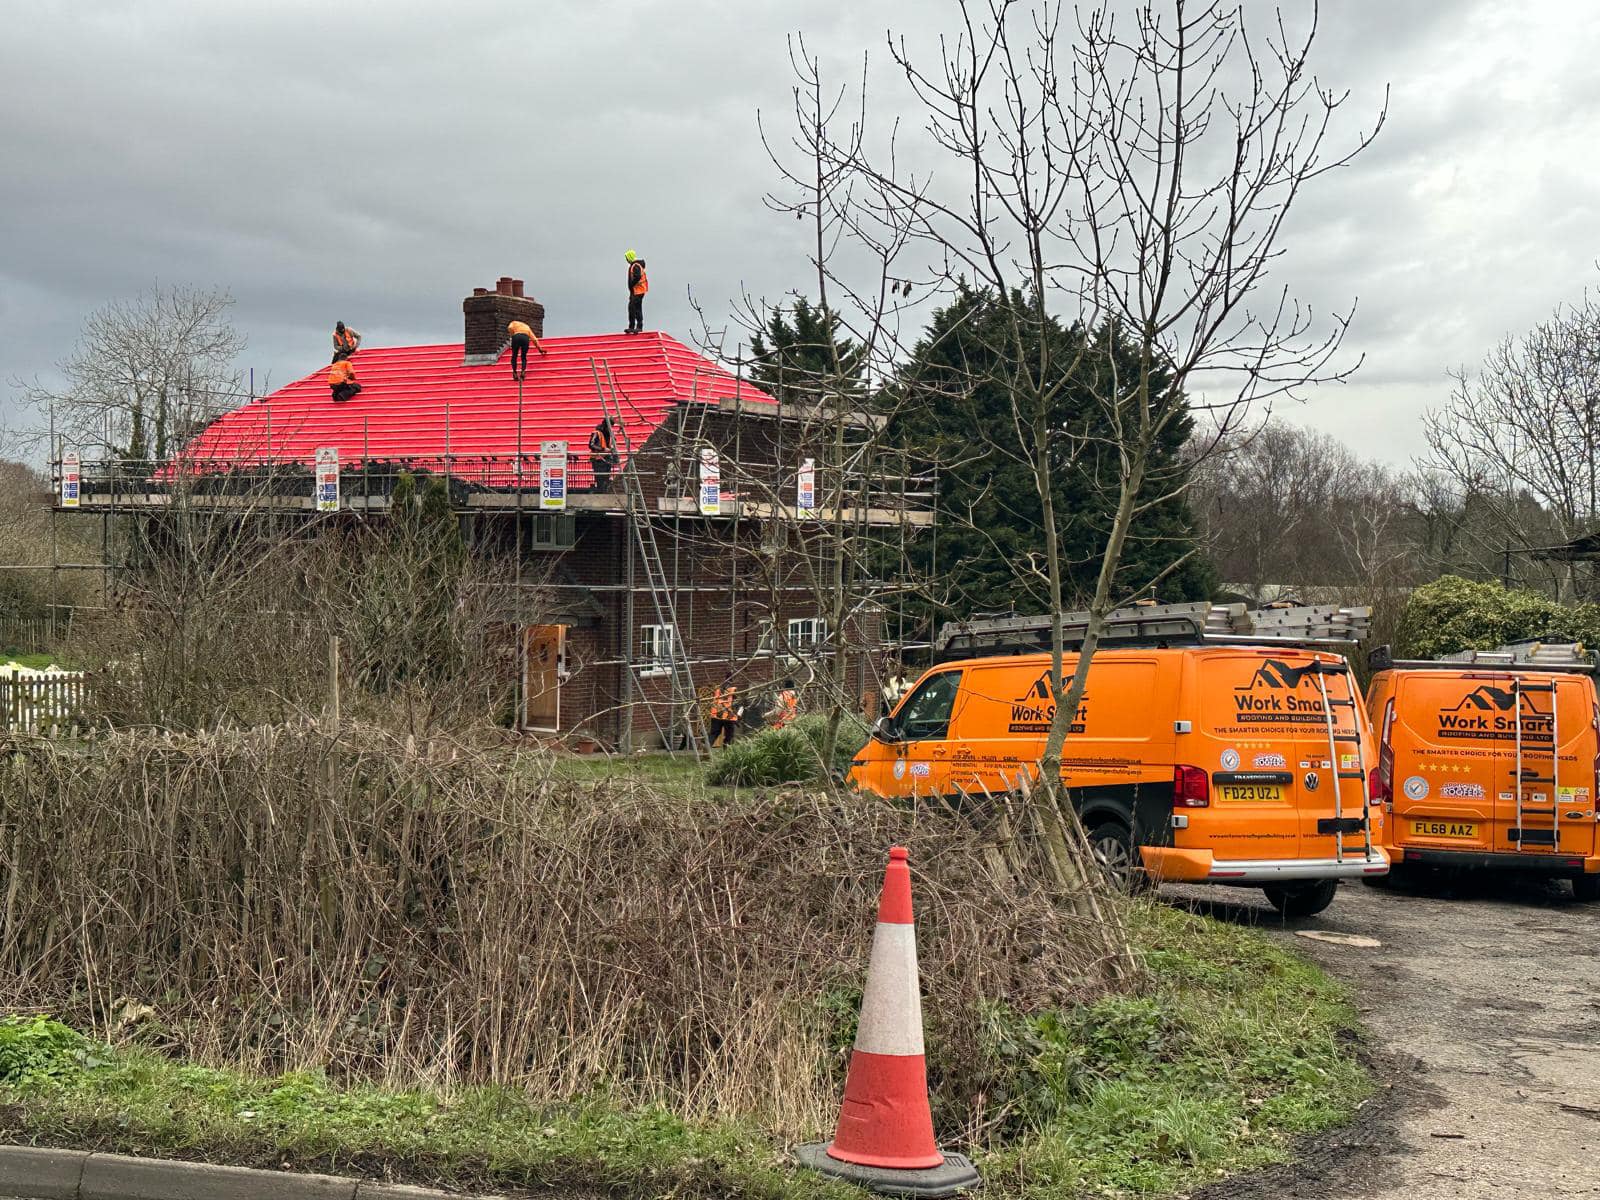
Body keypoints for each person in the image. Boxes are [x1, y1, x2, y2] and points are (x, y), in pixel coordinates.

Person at [588, 416, 620, 493]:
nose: (611, 428)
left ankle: (604, 491)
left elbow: (612, 444)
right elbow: (591, 445)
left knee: (606, 477)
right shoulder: (597, 433)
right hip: (598, 460)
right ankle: (600, 492)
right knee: (600, 478)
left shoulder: (610, 434)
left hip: (607, 458)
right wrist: (603, 449)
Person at [707, 679, 740, 747]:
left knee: (714, 733)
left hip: (716, 715)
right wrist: (737, 717)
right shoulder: (733, 690)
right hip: (728, 716)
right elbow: (737, 703)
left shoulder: (717, 690)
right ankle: (726, 751)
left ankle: (707, 747)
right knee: (729, 735)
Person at [624, 250, 648, 334]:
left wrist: (632, 284)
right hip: (638, 290)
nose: (626, 260)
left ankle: (634, 327)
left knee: (633, 308)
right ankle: (637, 326)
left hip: (637, 290)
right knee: (636, 308)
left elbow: (637, 276)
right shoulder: (636, 265)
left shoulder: (635, 266)